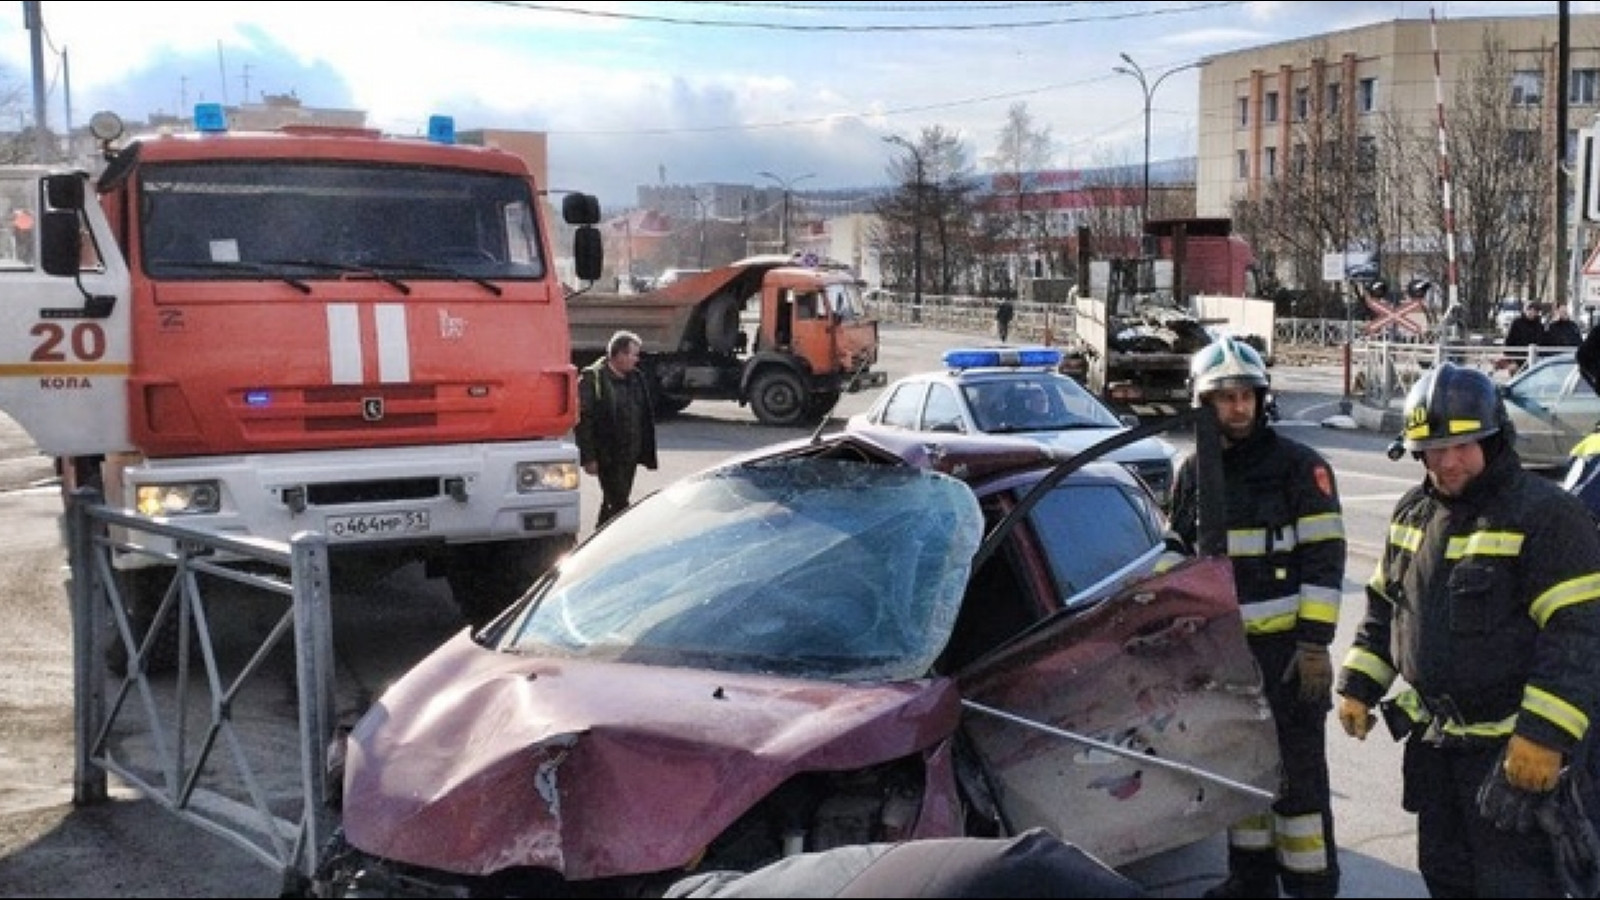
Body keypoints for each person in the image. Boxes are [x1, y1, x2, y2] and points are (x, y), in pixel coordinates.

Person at [1335, 362, 1600, 897]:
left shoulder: (1546, 515)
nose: (1448, 461)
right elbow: (1387, 606)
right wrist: (1361, 683)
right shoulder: (1413, 513)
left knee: (1516, 887)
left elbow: (1578, 633)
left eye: (1463, 446)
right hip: (1438, 755)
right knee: (1447, 879)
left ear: (1495, 437)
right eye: (1434, 449)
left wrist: (1544, 736)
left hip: (1514, 757)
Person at [1167, 337, 1346, 899]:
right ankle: (1250, 882)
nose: (1239, 407)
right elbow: (1180, 551)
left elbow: (1325, 560)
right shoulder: (1194, 470)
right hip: (1223, 657)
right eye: (1225, 398)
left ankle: (1310, 886)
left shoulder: (1299, 467)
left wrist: (1314, 645)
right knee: (1238, 776)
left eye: (1247, 395)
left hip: (1288, 656)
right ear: (1202, 402)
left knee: (1297, 784)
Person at [575, 330, 658, 529]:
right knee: (620, 504)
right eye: (633, 354)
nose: (636, 360)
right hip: (607, 455)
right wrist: (589, 458)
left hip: (629, 454)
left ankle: (599, 537)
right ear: (619, 354)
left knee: (613, 502)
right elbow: (583, 421)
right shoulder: (592, 378)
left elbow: (643, 415)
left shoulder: (636, 378)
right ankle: (622, 541)